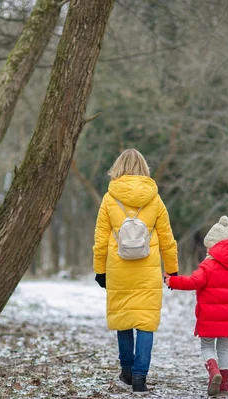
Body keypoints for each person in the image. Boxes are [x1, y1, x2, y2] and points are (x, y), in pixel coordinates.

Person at [93, 149, 179, 393]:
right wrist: (171, 271)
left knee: (124, 319)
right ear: (144, 168)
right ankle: (140, 378)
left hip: (118, 269)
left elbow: (100, 240)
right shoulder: (155, 200)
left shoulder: (110, 199)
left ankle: (127, 372)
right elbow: (167, 238)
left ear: (118, 167)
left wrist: (100, 271)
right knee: (145, 321)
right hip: (147, 270)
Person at [164, 216, 228, 396]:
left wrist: (172, 281)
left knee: (207, 346)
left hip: (209, 316)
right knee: (223, 348)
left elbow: (193, 281)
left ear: (215, 246)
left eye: (209, 246)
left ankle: (213, 371)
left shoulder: (208, 266)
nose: (207, 249)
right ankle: (224, 385)